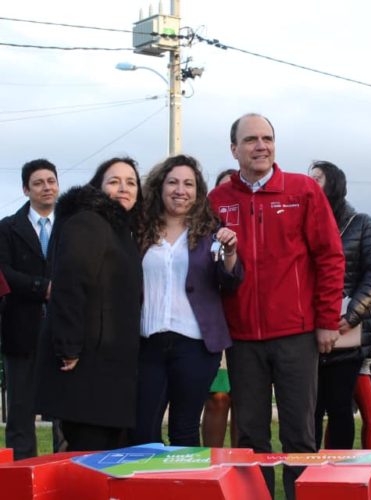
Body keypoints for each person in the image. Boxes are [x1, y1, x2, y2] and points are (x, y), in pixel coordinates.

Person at [209, 114, 345, 500]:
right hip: (242, 338)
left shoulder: (302, 191)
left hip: (296, 334)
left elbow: (330, 257)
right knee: (250, 434)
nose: (261, 146)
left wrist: (326, 321)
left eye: (267, 138)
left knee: (299, 433)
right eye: (250, 139)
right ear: (234, 149)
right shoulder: (218, 200)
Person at [133, 154, 243, 447]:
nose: (180, 190)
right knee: (143, 429)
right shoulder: (139, 231)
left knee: (184, 430)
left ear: (198, 192)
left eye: (188, 184)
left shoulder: (211, 233)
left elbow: (230, 281)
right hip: (147, 343)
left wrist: (230, 252)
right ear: (159, 187)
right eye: (173, 182)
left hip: (194, 344)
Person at [36, 157, 143, 451]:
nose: (124, 188)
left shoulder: (120, 230)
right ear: (98, 186)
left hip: (108, 369)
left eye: (131, 182)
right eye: (114, 181)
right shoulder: (89, 221)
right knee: (88, 457)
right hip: (85, 367)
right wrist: (68, 347)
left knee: (105, 459)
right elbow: (69, 284)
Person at [309, 161, 371, 451]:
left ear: (334, 185)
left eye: (317, 178)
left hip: (347, 331)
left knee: (341, 407)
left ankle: (338, 473)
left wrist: (352, 315)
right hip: (308, 329)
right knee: (310, 408)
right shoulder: (303, 221)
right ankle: (306, 473)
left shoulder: (361, 223)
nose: (310, 183)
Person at [0, 159, 59, 459]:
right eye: (38, 183)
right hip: (21, 328)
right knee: (21, 412)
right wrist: (43, 287)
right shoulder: (8, 228)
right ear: (26, 189)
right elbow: (4, 271)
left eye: (51, 181)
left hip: (64, 331)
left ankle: (67, 473)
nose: (46, 187)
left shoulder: (72, 226)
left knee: (66, 412)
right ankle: (21, 475)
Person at [201, 167, 238, 448]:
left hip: (248, 323)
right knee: (218, 397)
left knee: (245, 402)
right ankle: (212, 464)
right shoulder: (204, 232)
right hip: (215, 324)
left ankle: (242, 468)